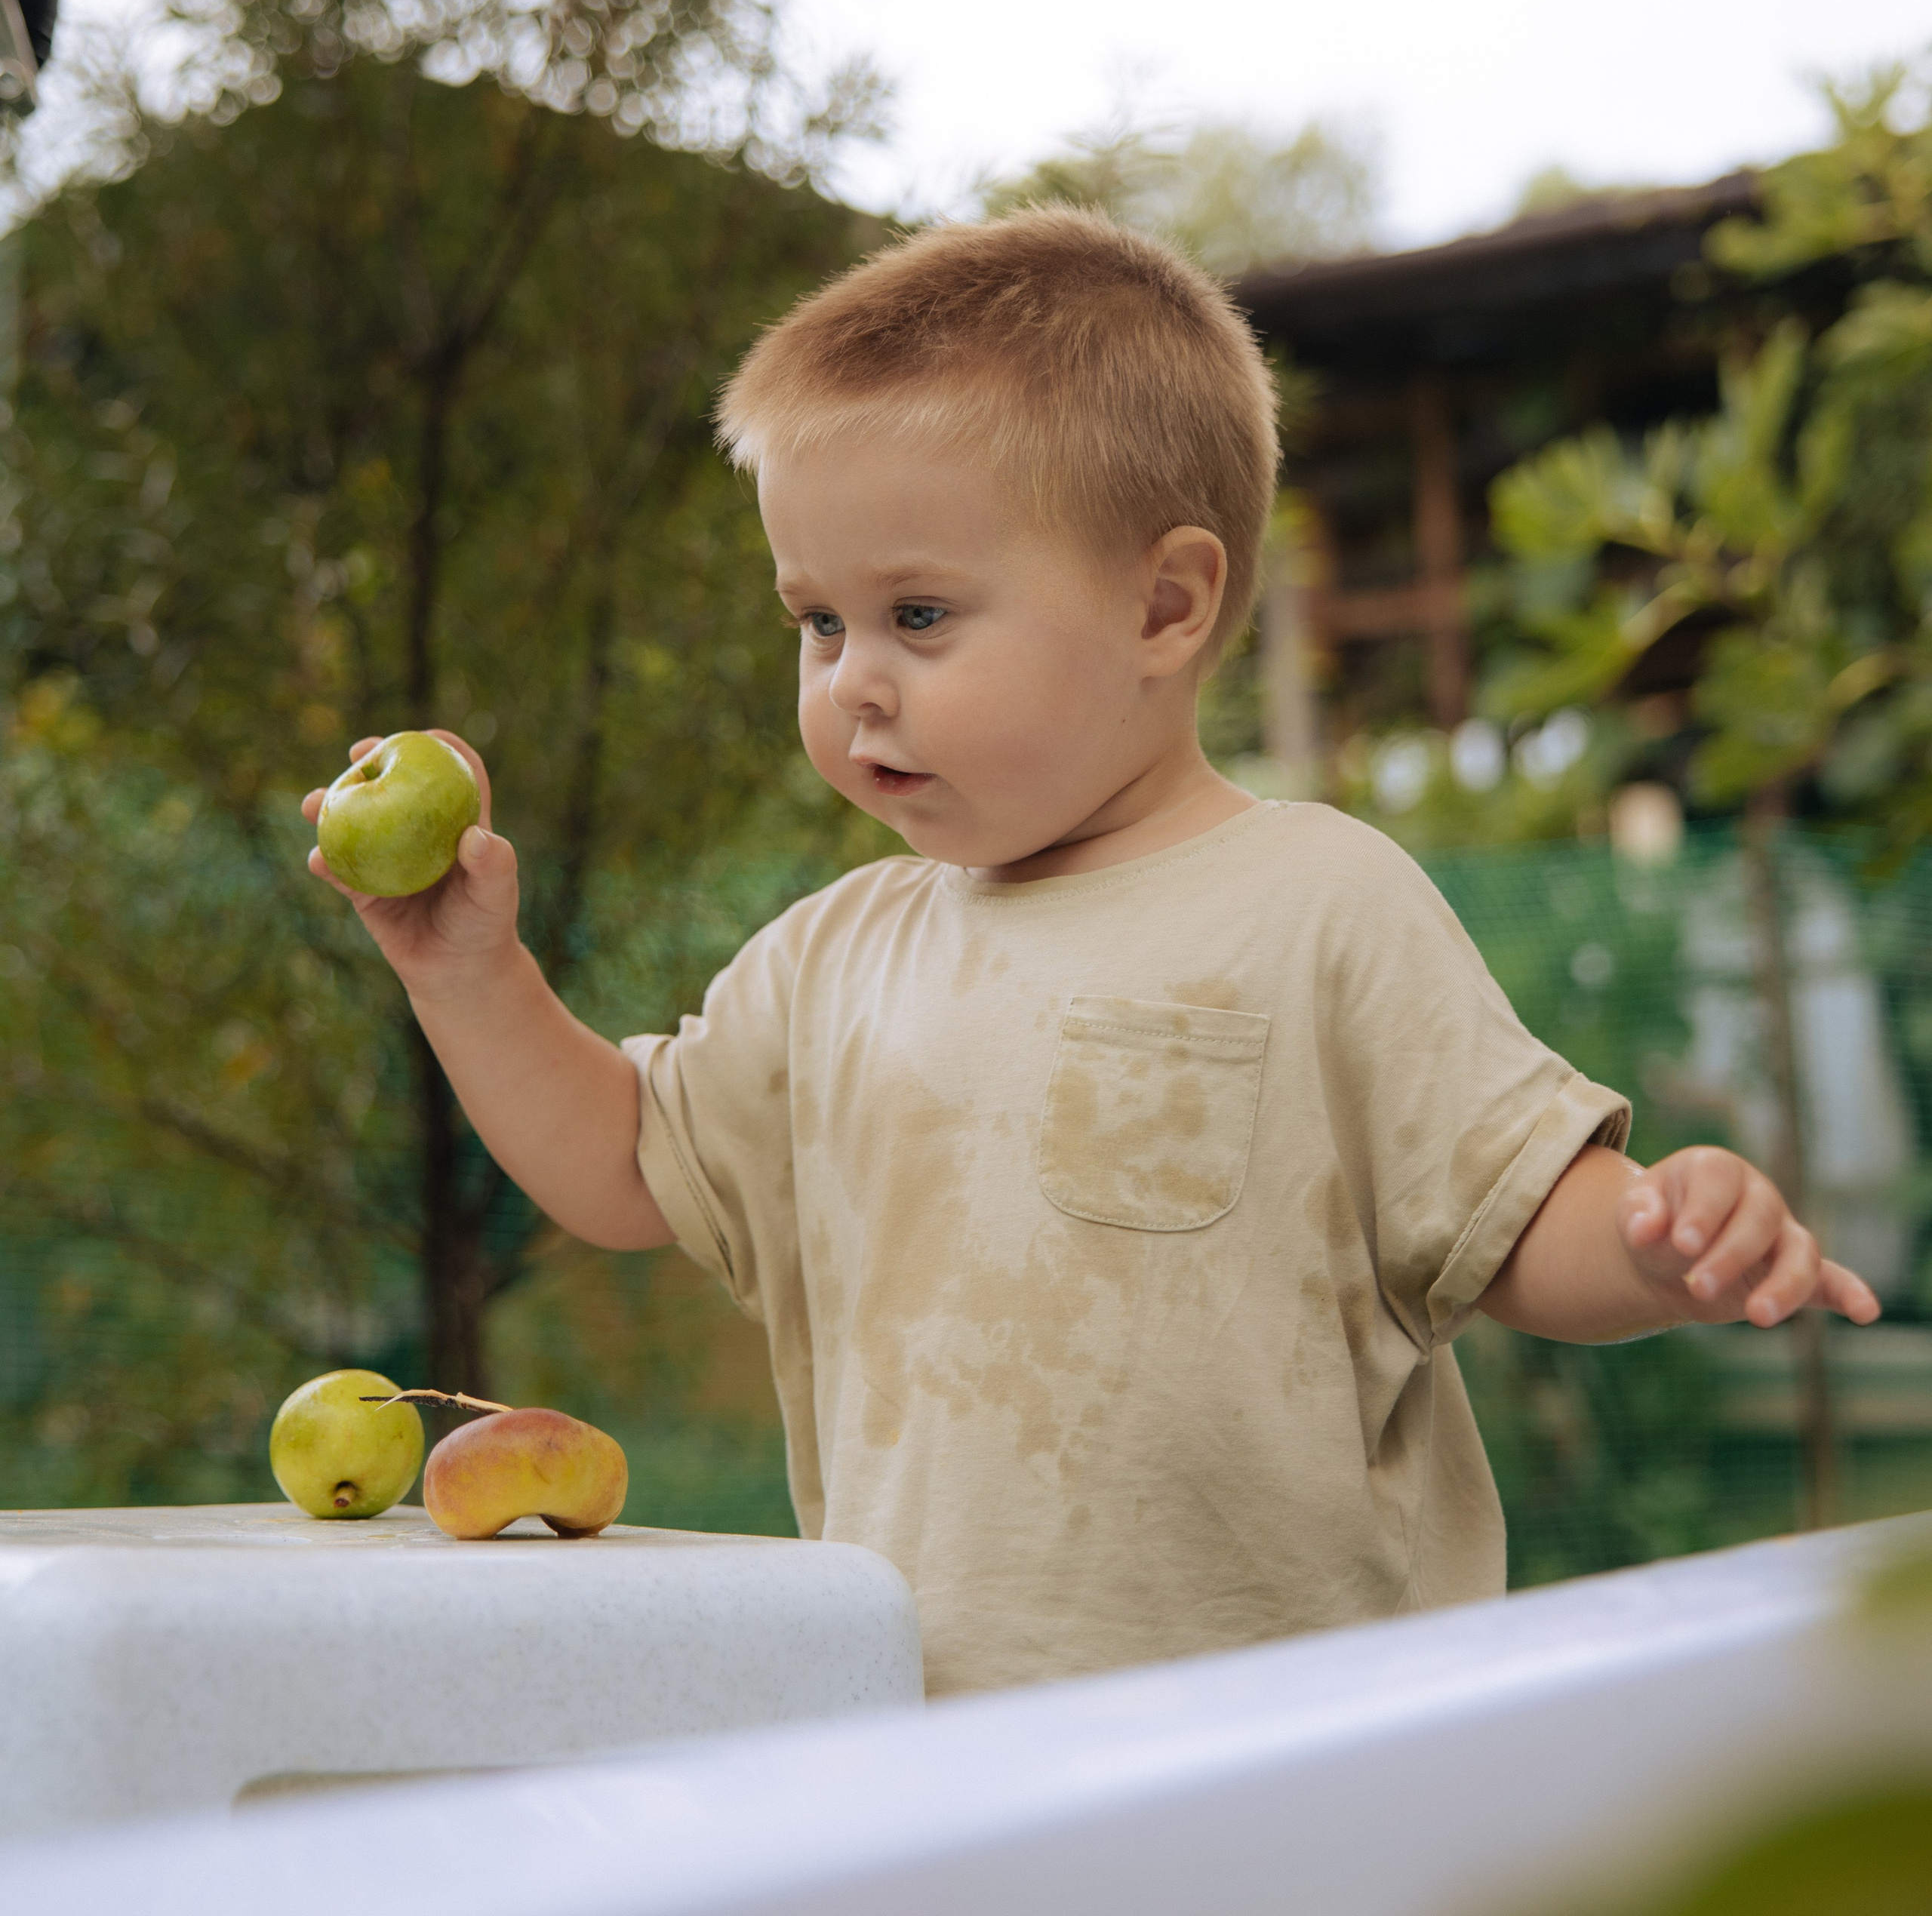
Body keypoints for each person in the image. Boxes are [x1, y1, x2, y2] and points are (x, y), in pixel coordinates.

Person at [304, 208, 1879, 1698]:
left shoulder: (1313, 901)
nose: (852, 682)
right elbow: (624, 1167)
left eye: (918, 614)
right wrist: (463, 968)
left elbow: (1512, 1219)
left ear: (1166, 604)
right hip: (925, 1748)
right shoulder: (832, 954)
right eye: (817, 622)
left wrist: (1662, 1236)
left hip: (1285, 1765)